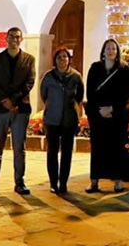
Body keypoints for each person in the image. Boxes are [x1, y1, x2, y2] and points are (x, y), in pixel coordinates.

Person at [0, 27, 36, 197]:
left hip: (21, 109)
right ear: (6, 38)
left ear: (21, 39)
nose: (15, 39)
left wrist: (14, 100)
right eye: (12, 36)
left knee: (19, 147)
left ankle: (19, 182)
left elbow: (30, 82)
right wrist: (4, 100)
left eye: (18, 37)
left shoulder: (29, 59)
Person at [84, 38, 129, 194]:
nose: (111, 51)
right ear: (103, 51)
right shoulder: (95, 68)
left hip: (117, 115)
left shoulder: (124, 70)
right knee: (98, 147)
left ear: (117, 52)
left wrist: (112, 108)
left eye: (114, 48)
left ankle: (118, 181)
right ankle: (94, 181)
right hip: (98, 115)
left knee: (116, 147)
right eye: (108, 48)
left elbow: (125, 93)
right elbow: (90, 92)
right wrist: (99, 109)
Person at [40, 47, 84, 195]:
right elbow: (43, 95)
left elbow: (79, 96)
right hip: (52, 120)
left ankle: (63, 182)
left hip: (69, 120)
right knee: (52, 151)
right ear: (55, 60)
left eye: (65, 57)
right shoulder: (48, 77)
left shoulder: (76, 76)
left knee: (67, 152)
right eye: (59, 57)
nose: (62, 60)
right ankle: (53, 182)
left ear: (69, 59)